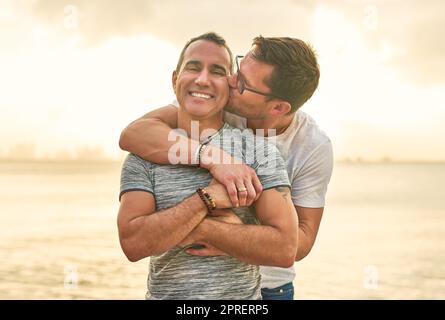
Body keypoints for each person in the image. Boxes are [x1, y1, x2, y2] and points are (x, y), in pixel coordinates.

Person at [119, 35, 333, 300]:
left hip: (270, 287)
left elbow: (298, 242)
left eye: (241, 82)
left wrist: (219, 231)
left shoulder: (311, 146)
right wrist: (212, 157)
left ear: (277, 107)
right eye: (237, 69)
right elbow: (133, 134)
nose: (230, 81)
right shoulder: (213, 101)